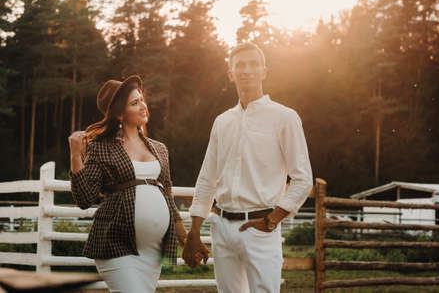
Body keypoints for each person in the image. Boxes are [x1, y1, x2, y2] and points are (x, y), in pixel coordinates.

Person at [182, 43, 313, 293]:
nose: (247, 70)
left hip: (261, 228)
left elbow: (303, 179)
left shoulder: (285, 118)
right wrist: (195, 230)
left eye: (254, 64)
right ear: (230, 73)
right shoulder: (222, 122)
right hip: (221, 226)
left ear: (264, 71)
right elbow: (207, 177)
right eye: (240, 65)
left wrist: (272, 220)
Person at [68, 75, 187, 293]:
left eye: (142, 100)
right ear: (120, 113)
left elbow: (168, 195)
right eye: (134, 103)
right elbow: (84, 198)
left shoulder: (159, 149)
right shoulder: (101, 147)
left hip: (153, 251)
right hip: (116, 244)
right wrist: (76, 156)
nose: (143, 106)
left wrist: (185, 239)